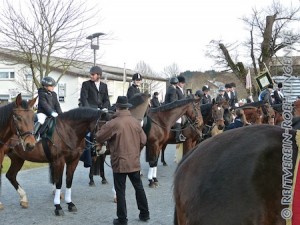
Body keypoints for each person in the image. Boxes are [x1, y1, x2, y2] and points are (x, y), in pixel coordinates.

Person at [96, 96, 150, 225]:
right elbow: (143, 140)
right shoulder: (135, 121)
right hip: (134, 161)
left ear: (117, 107)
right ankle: (145, 214)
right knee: (139, 188)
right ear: (128, 107)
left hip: (120, 161)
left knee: (120, 191)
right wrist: (136, 151)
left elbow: (99, 136)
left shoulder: (113, 122)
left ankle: (122, 219)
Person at [79, 65, 111, 170]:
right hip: (89, 111)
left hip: (101, 110)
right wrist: (92, 110)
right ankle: (86, 151)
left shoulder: (104, 86)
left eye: (93, 74)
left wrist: (105, 107)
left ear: (99, 75)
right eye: (91, 74)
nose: (91, 76)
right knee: (87, 131)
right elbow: (84, 99)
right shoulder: (86, 84)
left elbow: (106, 99)